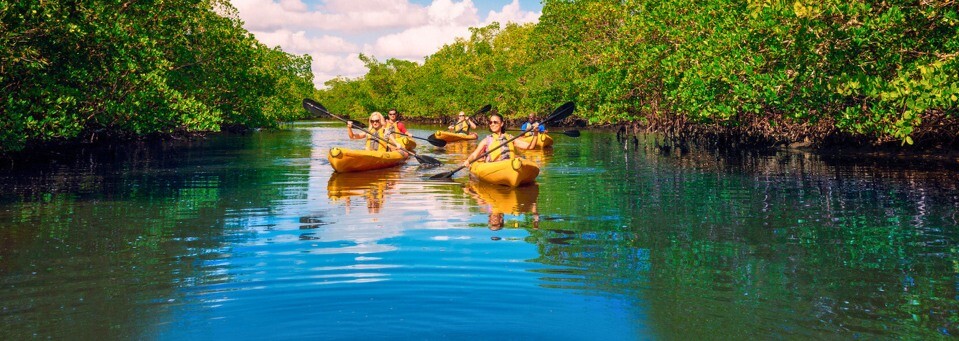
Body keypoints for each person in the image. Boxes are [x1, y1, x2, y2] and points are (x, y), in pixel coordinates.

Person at [463, 112, 538, 167]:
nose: (492, 124)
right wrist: (468, 161)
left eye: (495, 122)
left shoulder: (510, 138)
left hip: (509, 165)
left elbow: (530, 147)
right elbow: (474, 154)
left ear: (501, 124)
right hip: (494, 167)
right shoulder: (486, 140)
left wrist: (535, 134)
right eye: (490, 122)